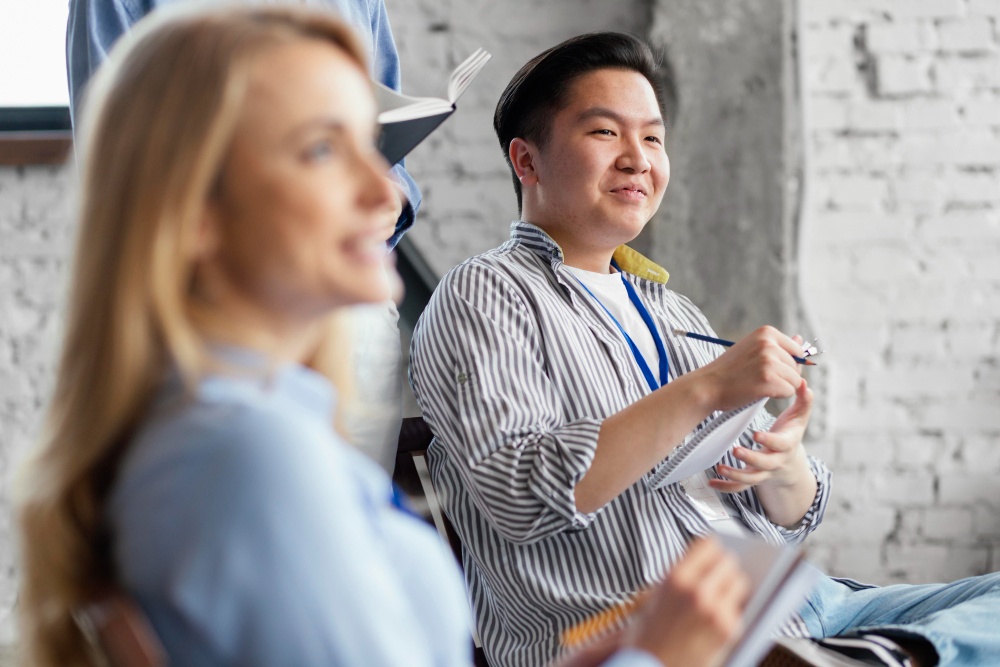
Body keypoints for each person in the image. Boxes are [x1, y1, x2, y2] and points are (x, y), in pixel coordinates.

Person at [16, 7, 752, 667]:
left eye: (376, 148)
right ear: (194, 212)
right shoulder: (254, 461)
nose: (387, 193)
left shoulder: (238, 433)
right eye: (322, 150)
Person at [408, 31, 1000, 667]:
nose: (638, 158)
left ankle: (873, 655)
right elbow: (519, 493)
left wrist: (783, 463)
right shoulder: (486, 292)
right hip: (655, 634)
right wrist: (709, 387)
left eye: (654, 137)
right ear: (526, 162)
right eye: (606, 133)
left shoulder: (670, 311)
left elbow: (791, 514)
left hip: (804, 609)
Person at [66, 0, 419, 472]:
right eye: (321, 149)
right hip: (212, 321)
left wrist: (396, 190)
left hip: (351, 327)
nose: (374, 189)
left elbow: (385, 152)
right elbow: (124, 167)